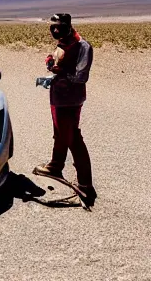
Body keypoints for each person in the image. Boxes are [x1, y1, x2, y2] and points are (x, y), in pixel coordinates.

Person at [34, 13, 97, 205]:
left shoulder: (82, 46)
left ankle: (86, 184)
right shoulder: (64, 41)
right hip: (58, 97)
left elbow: (81, 76)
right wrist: (50, 62)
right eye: (52, 27)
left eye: (59, 26)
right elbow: (54, 58)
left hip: (70, 100)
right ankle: (55, 165)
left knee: (73, 138)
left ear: (69, 25)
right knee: (59, 133)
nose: (55, 30)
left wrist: (60, 72)